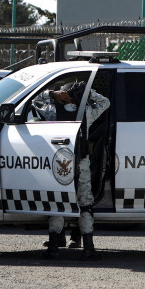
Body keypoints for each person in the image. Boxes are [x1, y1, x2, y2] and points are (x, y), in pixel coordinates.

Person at [34, 80, 111, 260]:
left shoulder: (52, 112)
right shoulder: (86, 112)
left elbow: (34, 100)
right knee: (85, 205)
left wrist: (52, 94)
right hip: (82, 163)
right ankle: (88, 249)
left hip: (62, 164)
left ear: (63, 96)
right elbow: (106, 102)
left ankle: (53, 248)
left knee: (59, 203)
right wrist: (88, 93)